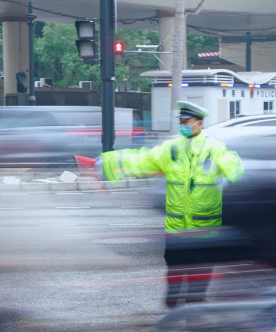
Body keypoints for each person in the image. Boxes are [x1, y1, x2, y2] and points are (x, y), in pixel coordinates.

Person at [95, 101, 244, 308]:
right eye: (181, 121)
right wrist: (105, 165)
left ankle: (194, 306)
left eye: (187, 121)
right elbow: (142, 160)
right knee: (175, 271)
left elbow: (235, 171)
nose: (183, 124)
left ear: (199, 123)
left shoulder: (214, 148)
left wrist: (232, 172)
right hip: (176, 230)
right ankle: (175, 303)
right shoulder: (171, 148)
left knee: (199, 274)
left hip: (204, 229)